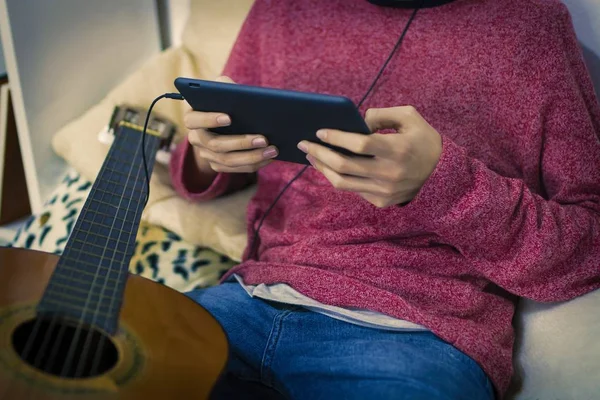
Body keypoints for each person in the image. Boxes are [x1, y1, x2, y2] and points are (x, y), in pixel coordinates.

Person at [169, 0, 600, 398]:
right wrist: (210, 155)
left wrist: (443, 184)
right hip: (247, 300)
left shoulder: (527, 26)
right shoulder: (279, 8)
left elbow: (588, 244)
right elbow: (206, 155)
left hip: (411, 335)